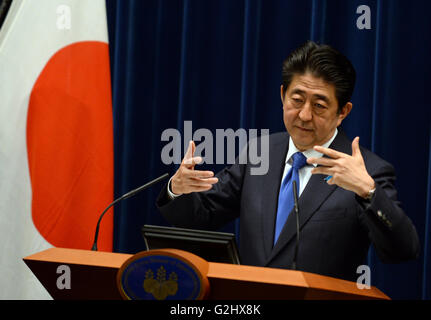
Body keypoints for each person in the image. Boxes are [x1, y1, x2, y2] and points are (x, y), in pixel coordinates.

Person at [156, 41, 420, 282]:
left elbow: (402, 250)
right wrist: (178, 189)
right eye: (297, 99)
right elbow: (202, 216)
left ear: (342, 112)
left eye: (319, 105)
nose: (304, 115)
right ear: (283, 95)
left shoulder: (367, 171)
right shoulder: (259, 152)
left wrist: (368, 192)